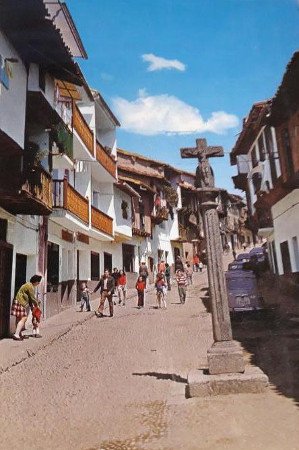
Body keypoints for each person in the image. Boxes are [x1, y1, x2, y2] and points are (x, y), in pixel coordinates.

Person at [11, 275, 42, 341]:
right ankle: (16, 334)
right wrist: (37, 304)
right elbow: (32, 298)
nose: (38, 283)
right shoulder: (30, 286)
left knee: (19, 318)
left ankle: (19, 333)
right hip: (20, 302)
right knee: (24, 318)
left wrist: (31, 306)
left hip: (18, 301)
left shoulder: (28, 285)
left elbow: (30, 299)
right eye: (38, 282)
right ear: (36, 281)